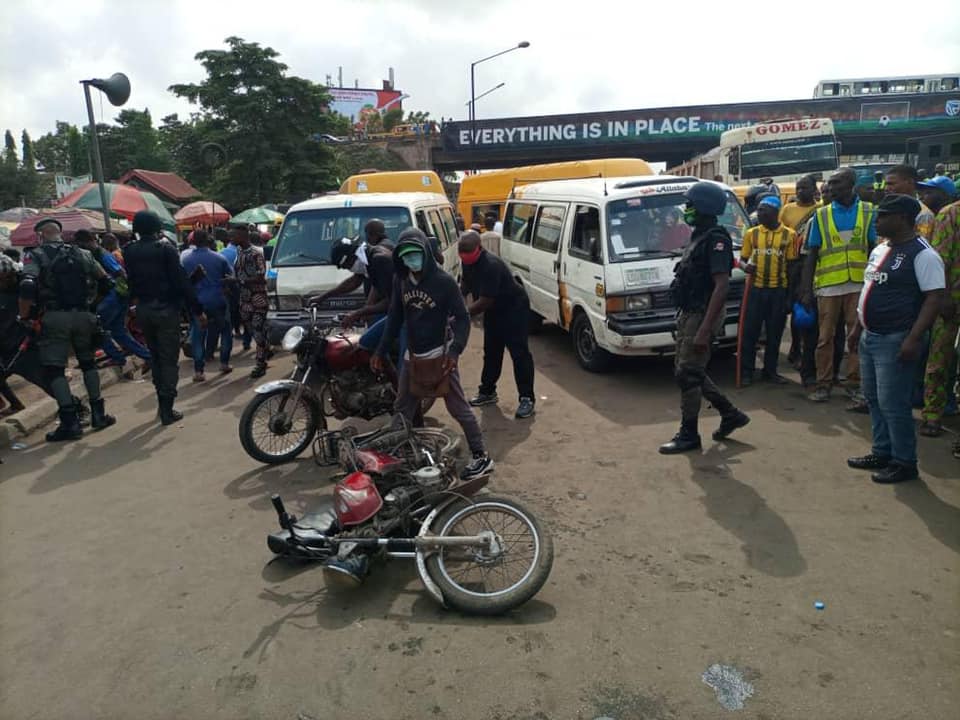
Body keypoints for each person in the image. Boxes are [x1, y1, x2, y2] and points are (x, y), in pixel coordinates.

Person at [372, 228, 493, 480]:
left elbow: (462, 318)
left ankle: (481, 457)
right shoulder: (402, 279)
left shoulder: (443, 282)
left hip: (440, 355)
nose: (411, 261)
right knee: (402, 407)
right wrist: (380, 350)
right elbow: (394, 317)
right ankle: (398, 457)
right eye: (406, 257)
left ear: (425, 253)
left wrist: (455, 351)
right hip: (412, 356)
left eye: (415, 255)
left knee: (458, 408)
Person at [846, 194, 946, 483]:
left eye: (883, 216)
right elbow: (868, 289)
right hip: (870, 335)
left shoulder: (923, 254)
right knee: (875, 399)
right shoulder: (880, 249)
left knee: (894, 403)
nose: (877, 221)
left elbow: (934, 298)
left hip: (897, 338)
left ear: (902, 218)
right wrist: (856, 328)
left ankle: (904, 461)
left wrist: (914, 339)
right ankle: (882, 451)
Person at [659, 182, 749, 454]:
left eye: (690, 206)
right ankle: (730, 413)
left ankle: (689, 434)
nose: (686, 210)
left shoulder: (716, 240)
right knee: (689, 370)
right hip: (691, 312)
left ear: (704, 207)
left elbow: (721, 285)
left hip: (703, 314)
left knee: (687, 373)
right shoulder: (699, 235)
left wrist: (704, 329)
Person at [18, 217, 116, 440]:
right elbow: (107, 282)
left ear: (40, 235)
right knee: (89, 363)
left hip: (54, 317)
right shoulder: (83, 254)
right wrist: (92, 306)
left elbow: (27, 284)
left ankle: (70, 424)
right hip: (84, 315)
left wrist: (25, 316)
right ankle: (99, 415)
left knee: (55, 369)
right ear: (60, 233)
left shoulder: (36, 255)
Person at [801, 168, 877, 403]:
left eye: (837, 183)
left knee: (856, 337)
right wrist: (805, 290)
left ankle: (854, 383)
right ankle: (824, 384)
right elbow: (811, 255)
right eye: (830, 184)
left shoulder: (868, 211)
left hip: (858, 284)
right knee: (825, 339)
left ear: (851, 185)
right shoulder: (821, 215)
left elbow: (875, 249)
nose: (831, 188)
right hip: (828, 286)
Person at [124, 210, 206, 425]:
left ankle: (162, 403)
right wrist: (197, 310)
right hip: (166, 311)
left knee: (156, 357)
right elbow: (181, 283)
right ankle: (167, 409)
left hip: (143, 310)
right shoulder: (165, 249)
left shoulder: (129, 251)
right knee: (169, 360)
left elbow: (130, 282)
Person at [458, 230, 536, 419]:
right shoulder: (467, 262)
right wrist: (457, 303)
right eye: (462, 253)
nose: (465, 257)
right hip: (494, 311)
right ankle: (487, 392)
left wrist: (462, 314)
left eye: (469, 252)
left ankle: (527, 398)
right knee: (492, 352)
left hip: (513, 308)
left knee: (519, 354)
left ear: (479, 248)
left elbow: (485, 301)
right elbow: (465, 287)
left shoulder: (491, 265)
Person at [739, 196, 797, 385]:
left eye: (764, 210)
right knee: (750, 333)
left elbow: (792, 267)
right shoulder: (752, 234)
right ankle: (747, 372)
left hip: (778, 291)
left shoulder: (790, 235)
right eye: (759, 209)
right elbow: (742, 259)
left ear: (775, 212)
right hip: (756, 290)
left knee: (775, 333)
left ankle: (770, 371)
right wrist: (745, 267)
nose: (759, 213)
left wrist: (790, 297)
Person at [74, 229, 151, 370]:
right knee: (118, 331)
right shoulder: (98, 254)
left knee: (98, 328)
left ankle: (117, 357)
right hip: (117, 296)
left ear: (84, 242)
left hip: (113, 296)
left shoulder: (101, 254)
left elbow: (120, 272)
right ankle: (147, 356)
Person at [919, 193, 960, 437]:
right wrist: (942, 297)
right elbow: (940, 259)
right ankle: (932, 414)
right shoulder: (951, 214)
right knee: (939, 359)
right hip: (951, 301)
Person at [181, 230, 234, 381]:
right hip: (218, 300)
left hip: (197, 302)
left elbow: (184, 282)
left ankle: (199, 371)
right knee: (225, 331)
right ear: (208, 240)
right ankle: (224, 363)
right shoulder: (219, 258)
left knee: (198, 336)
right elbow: (230, 277)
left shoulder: (185, 260)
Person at [782, 175, 820, 367]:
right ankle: (795, 346)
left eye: (804, 188)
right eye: (798, 188)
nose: (799, 192)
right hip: (793, 265)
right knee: (796, 307)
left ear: (814, 189)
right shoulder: (787, 209)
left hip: (812, 264)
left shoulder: (820, 210)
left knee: (810, 309)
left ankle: (808, 350)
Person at [310, 219, 390, 308]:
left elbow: (378, 289)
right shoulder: (366, 259)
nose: (348, 269)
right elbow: (355, 281)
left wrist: (361, 313)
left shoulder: (379, 258)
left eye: (346, 266)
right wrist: (323, 297)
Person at [232, 222, 269, 378]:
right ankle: (265, 349)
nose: (232, 237)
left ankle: (260, 363)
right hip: (245, 298)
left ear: (243, 236)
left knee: (257, 329)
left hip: (257, 298)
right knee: (252, 329)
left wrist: (240, 281)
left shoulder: (256, 253)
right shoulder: (239, 251)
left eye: (235, 235)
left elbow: (261, 275)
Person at [884, 164, 936, 239]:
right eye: (886, 184)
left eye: (891, 184)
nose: (886, 188)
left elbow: (921, 245)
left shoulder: (923, 215)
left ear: (910, 182)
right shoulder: (888, 210)